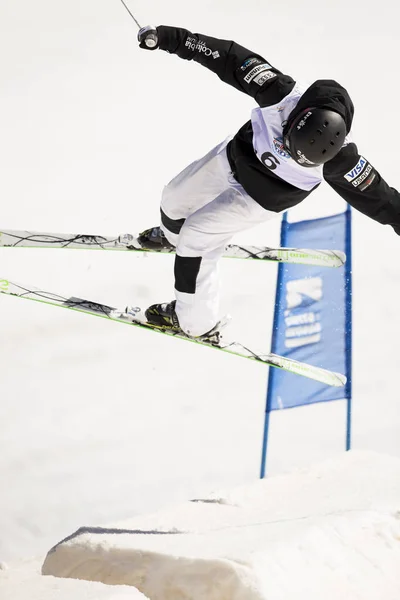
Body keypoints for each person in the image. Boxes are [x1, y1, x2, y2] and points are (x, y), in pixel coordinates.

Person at [136, 25, 400, 341]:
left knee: (197, 235)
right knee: (173, 200)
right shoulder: (280, 93)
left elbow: (384, 200)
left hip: (261, 198)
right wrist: (170, 38)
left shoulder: (342, 161)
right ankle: (173, 239)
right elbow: (228, 57)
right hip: (234, 158)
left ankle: (195, 322)